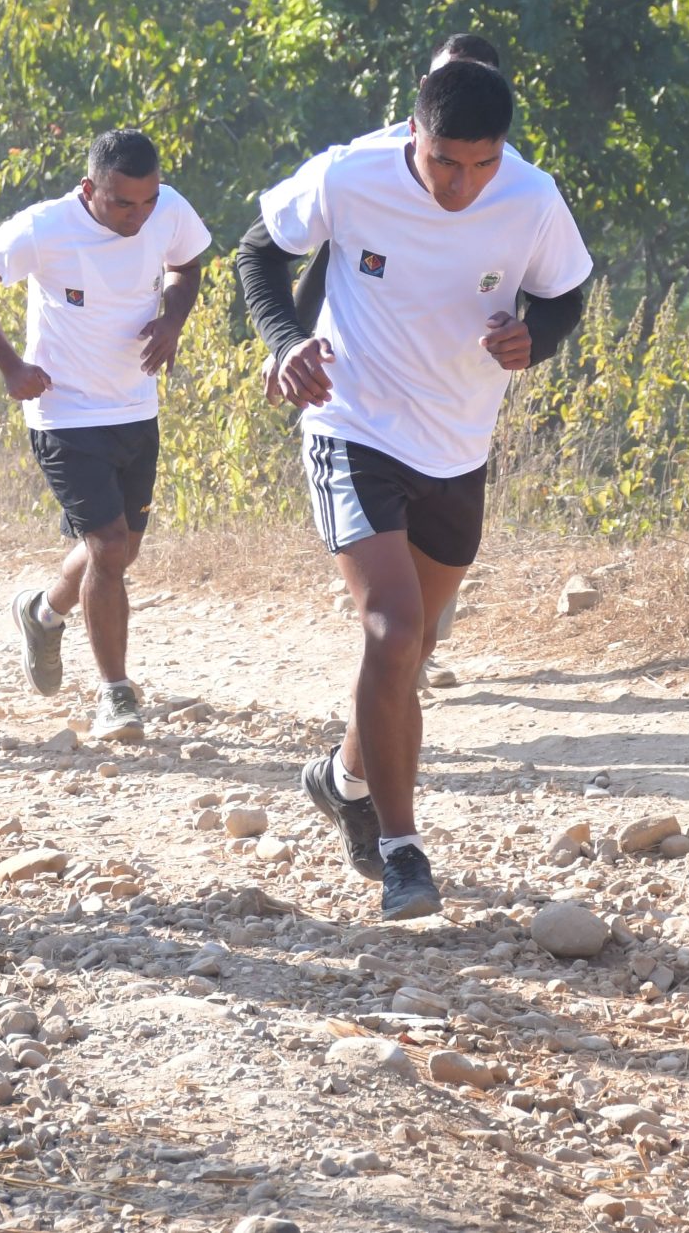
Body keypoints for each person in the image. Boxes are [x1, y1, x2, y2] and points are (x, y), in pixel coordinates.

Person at [238, 60, 593, 920]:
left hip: (457, 445)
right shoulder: (349, 174)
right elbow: (259, 252)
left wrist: (532, 341)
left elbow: (567, 293)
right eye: (445, 163)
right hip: (351, 425)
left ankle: (344, 778)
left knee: (415, 647)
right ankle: (401, 851)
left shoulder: (534, 198)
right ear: (413, 135)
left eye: (482, 164)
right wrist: (287, 340)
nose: (463, 185)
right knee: (392, 629)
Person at [0, 129, 211, 742]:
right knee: (108, 547)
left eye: (147, 202)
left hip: (134, 406)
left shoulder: (166, 208)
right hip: (63, 412)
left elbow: (188, 264)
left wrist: (172, 318)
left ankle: (43, 614)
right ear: (89, 188)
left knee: (121, 552)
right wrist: (11, 366)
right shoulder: (45, 229)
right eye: (123, 203)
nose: (139, 216)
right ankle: (116, 694)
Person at [280, 33, 514, 692]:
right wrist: (286, 344)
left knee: (441, 524)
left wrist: (525, 334)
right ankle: (402, 652)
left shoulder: (508, 179)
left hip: (457, 386)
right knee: (393, 587)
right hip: (362, 391)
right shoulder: (372, 167)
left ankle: (418, 641)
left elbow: (526, 273)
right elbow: (322, 258)